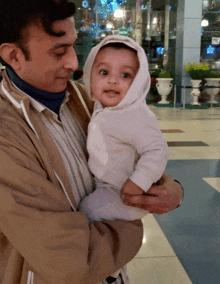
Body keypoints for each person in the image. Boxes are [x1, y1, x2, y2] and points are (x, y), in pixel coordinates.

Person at [0, 1, 183, 284]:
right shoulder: (6, 132)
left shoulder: (83, 99)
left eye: (73, 46)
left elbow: (131, 154)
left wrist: (170, 189)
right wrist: (132, 222)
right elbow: (69, 259)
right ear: (13, 55)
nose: (74, 63)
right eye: (59, 51)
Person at [79, 35, 169, 223]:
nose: (113, 81)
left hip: (125, 194)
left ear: (138, 83)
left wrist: (139, 182)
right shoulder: (102, 107)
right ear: (90, 75)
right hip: (106, 185)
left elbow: (157, 149)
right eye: (103, 72)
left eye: (125, 75)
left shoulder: (135, 115)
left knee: (87, 210)